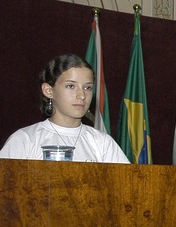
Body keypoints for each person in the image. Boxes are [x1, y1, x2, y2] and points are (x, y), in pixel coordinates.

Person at [0, 54, 129, 163]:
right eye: (71, 86)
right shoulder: (25, 140)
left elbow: (129, 187)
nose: (82, 95)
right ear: (48, 90)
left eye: (87, 87)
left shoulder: (102, 143)